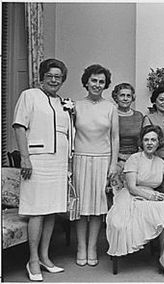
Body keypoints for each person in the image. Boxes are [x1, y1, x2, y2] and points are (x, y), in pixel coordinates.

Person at [106, 125, 164, 280]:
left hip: (153, 195)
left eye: (153, 140)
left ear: (159, 142)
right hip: (133, 198)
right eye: (146, 140)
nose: (150, 143)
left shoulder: (160, 161)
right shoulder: (134, 159)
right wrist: (151, 197)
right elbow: (131, 187)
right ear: (142, 142)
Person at [13, 58, 71, 281]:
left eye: (58, 77)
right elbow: (19, 126)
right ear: (42, 77)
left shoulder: (62, 103)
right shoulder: (30, 96)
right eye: (50, 76)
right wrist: (25, 158)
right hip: (37, 161)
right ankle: (33, 259)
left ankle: (46, 257)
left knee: (52, 209)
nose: (54, 80)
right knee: (37, 210)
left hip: (58, 163)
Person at [73, 64, 119, 267]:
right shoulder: (75, 106)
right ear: (86, 82)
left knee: (98, 207)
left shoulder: (111, 108)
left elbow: (115, 137)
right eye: (94, 80)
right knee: (82, 206)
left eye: (101, 81)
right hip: (81, 159)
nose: (97, 85)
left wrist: (113, 164)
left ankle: (92, 247)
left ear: (105, 84)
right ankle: (81, 247)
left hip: (103, 159)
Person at [111, 83, 143, 171]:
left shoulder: (139, 116)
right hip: (115, 160)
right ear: (116, 97)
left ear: (132, 98)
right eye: (122, 95)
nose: (125, 98)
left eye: (128, 96)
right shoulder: (111, 115)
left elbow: (142, 140)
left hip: (135, 159)